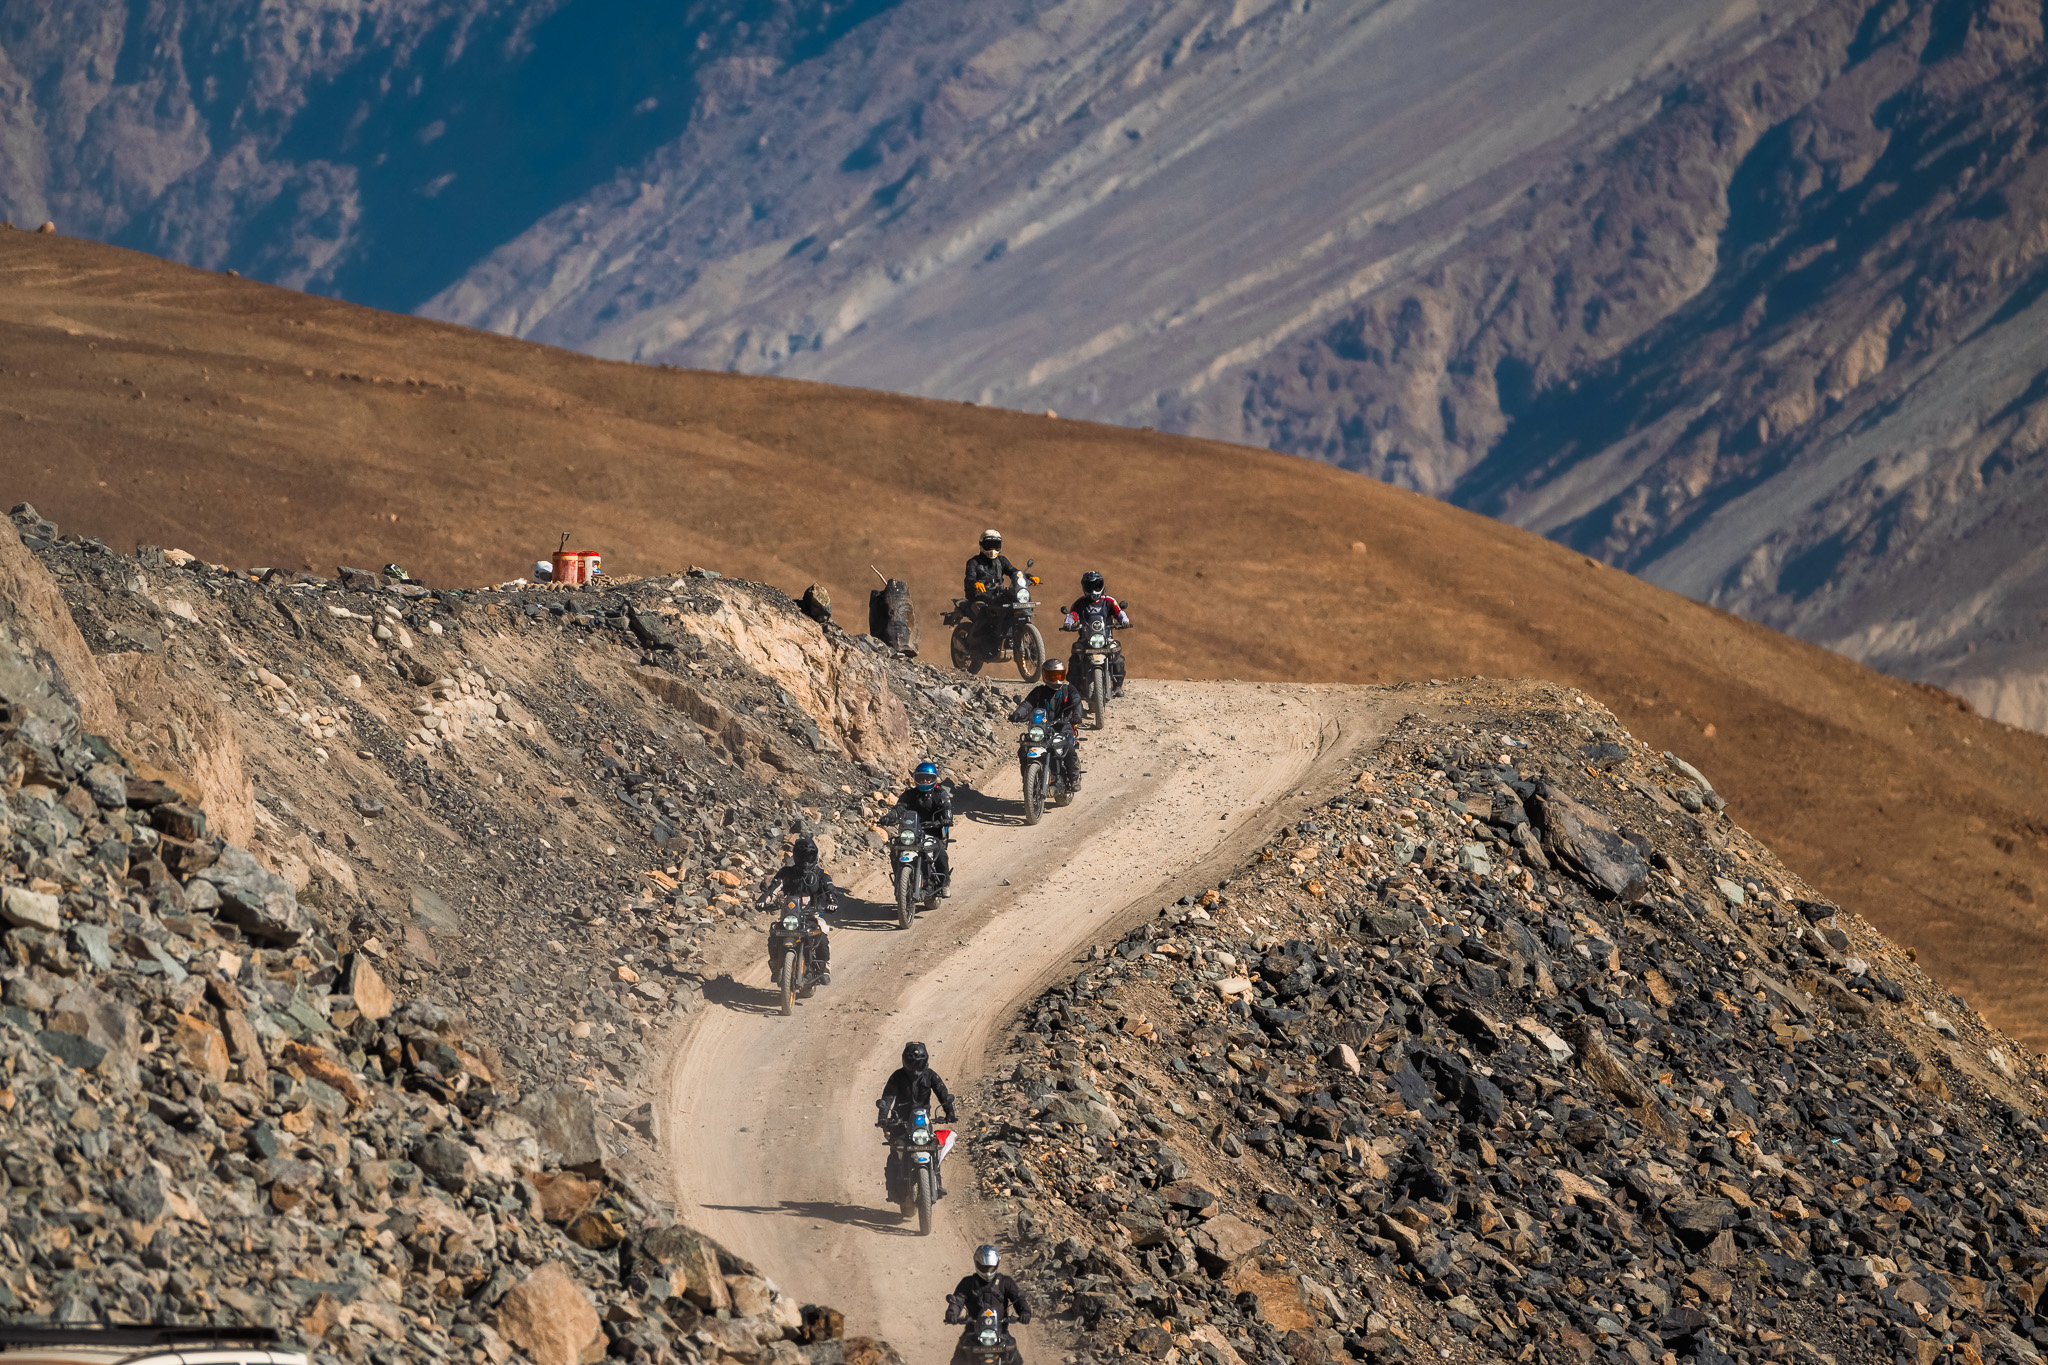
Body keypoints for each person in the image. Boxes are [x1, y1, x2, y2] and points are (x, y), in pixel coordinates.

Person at [877, 1041, 959, 1207]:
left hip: (922, 1121)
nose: (915, 1065)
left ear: (925, 1060)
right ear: (904, 1061)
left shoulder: (930, 1075)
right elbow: (887, 1098)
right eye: (911, 1062)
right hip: (900, 1121)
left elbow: (942, 1092)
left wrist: (950, 1112)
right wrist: (883, 1116)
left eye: (918, 1061)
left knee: (933, 1148)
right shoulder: (897, 1076)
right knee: (895, 1151)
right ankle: (893, 1188)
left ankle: (936, 1183)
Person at [759, 835, 837, 983]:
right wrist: (763, 900)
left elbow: (831, 891)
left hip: (812, 916)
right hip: (790, 916)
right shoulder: (786, 873)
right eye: (802, 857)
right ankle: (776, 966)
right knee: (774, 935)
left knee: (823, 939)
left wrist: (832, 902)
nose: (806, 861)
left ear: (815, 856)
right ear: (795, 856)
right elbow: (774, 888)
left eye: (809, 856)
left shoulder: (821, 874)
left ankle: (824, 968)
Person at [944, 1245, 1032, 1365]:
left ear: (997, 1264)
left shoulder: (1005, 1282)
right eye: (984, 1267)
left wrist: (1024, 1312)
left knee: (1016, 1359)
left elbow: (1018, 1297)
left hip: (1001, 1331)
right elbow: (958, 1300)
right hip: (973, 1332)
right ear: (976, 1263)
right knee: (958, 1359)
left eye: (991, 1267)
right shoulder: (968, 1283)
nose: (987, 1271)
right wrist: (952, 1312)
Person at [1008, 659, 1086, 790]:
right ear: (1045, 676)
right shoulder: (1038, 691)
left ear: (1064, 675)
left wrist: (1077, 716)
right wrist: (1017, 713)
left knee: (1068, 748)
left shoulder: (1068, 689)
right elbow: (1027, 704)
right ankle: (1028, 781)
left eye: (1059, 675)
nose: (1056, 679)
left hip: (1063, 727)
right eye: (1052, 675)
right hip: (1041, 728)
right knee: (1023, 750)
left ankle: (1074, 778)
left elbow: (1077, 701)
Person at [887, 761, 953, 895]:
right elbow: (900, 807)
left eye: (928, 778)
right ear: (916, 779)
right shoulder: (910, 794)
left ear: (934, 779)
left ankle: (944, 883)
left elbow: (947, 810)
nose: (925, 780)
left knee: (940, 852)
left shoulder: (940, 794)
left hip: (932, 832)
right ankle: (900, 880)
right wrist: (890, 816)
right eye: (921, 778)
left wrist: (944, 820)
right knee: (894, 850)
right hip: (911, 831)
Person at [1064, 570, 1131, 696]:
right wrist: (1068, 623)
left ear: (1102, 586)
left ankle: (1117, 686)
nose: (1094, 590)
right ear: (1084, 587)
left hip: (1106, 638)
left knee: (1117, 657)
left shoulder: (1109, 601)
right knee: (1075, 655)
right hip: (1085, 640)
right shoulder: (1079, 603)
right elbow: (1072, 614)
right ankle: (1074, 687)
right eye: (1090, 587)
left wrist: (1124, 620)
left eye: (1096, 586)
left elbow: (1119, 612)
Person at [961, 530, 1022, 637]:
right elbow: (969, 578)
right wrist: (975, 583)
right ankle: (977, 641)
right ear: (981, 545)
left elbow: (1013, 571)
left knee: (1013, 608)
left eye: (996, 545)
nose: (993, 549)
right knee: (985, 616)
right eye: (989, 545)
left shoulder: (1002, 561)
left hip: (997, 598)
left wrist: (1028, 577)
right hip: (978, 598)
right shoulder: (974, 562)